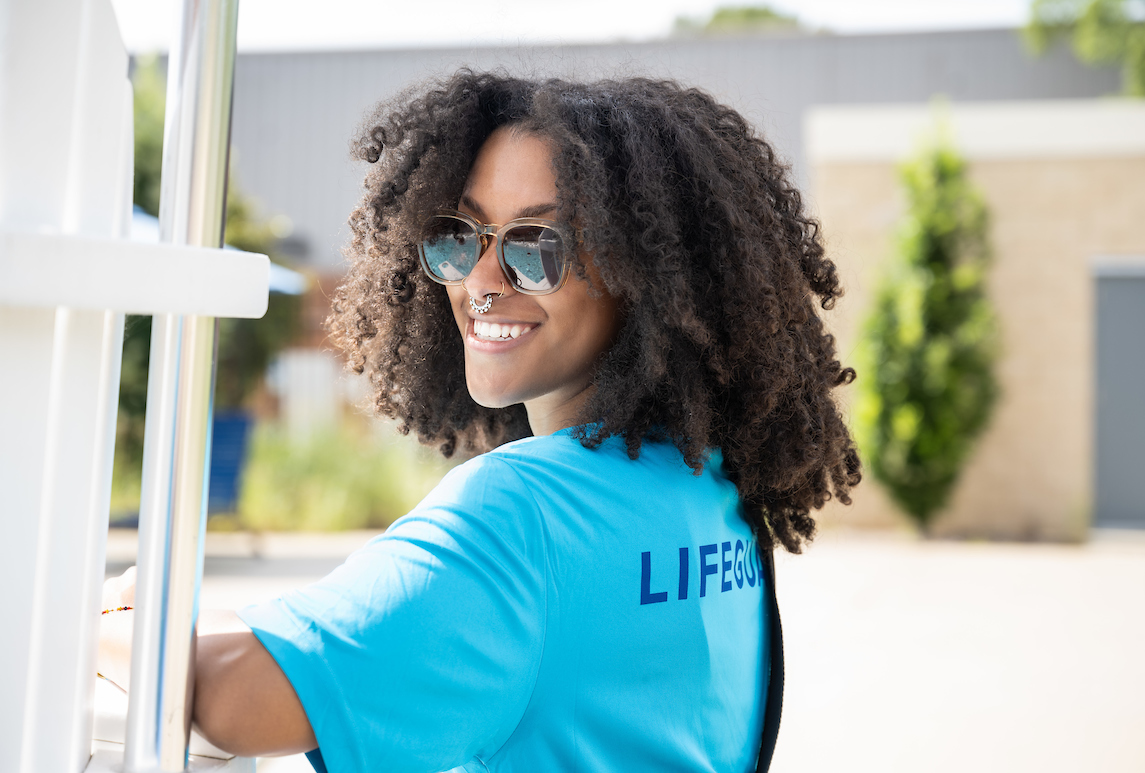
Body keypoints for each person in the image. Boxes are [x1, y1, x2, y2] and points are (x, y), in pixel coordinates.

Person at [100, 69, 860, 772]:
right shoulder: (710, 489)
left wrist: (99, 619)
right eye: (460, 236)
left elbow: (235, 697)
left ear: (646, 278)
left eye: (538, 245)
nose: (483, 280)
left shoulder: (521, 513)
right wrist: (212, 617)